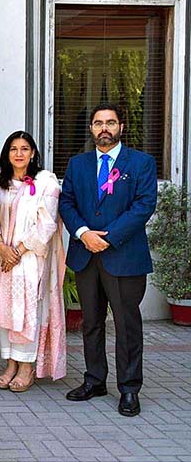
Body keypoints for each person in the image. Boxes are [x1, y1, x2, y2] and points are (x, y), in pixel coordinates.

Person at [59, 103, 157, 417]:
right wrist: (84, 232)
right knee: (91, 323)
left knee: (127, 325)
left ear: (121, 127)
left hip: (124, 257)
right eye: (99, 122)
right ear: (91, 128)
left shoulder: (141, 163)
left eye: (111, 122)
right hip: (86, 255)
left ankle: (129, 389)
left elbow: (143, 206)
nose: (105, 128)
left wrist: (108, 236)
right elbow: (67, 202)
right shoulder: (77, 164)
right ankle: (95, 380)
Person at [0, 131, 66, 393]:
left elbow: (47, 224)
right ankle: (10, 363)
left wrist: (17, 252)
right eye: (13, 149)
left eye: (24, 148)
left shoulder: (46, 182)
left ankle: (26, 367)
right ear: (6, 154)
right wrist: (1, 247)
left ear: (33, 153)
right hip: (3, 258)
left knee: (28, 312)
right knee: (5, 312)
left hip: (29, 259)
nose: (19, 154)